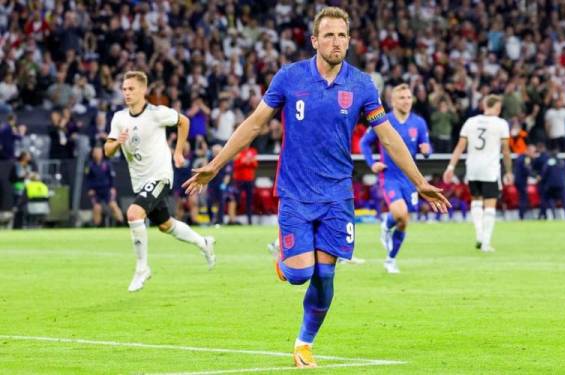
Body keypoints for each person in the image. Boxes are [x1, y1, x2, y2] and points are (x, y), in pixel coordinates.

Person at [183, 7, 449, 368]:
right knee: (300, 274)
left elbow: (387, 137)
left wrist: (420, 182)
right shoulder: (290, 78)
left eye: (342, 35)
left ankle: (303, 344)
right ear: (314, 41)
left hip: (338, 196)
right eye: (329, 35)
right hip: (295, 193)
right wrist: (215, 165)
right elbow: (254, 124)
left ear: (349, 40)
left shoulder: (361, 85)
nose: (336, 41)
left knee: (325, 275)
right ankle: (284, 261)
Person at [104, 71, 216, 293]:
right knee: (165, 225)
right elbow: (107, 150)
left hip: (160, 175)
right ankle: (204, 243)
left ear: (143, 90)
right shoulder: (119, 118)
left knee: (134, 214)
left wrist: (178, 151)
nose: (126, 93)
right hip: (140, 180)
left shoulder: (156, 114)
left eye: (131, 89)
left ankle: (142, 268)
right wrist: (118, 143)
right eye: (124, 89)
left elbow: (184, 121)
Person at [359, 84, 431, 274]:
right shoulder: (383, 121)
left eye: (409, 97)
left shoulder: (419, 123)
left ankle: (390, 257)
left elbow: (426, 145)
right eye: (402, 98)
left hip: (410, 179)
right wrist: (372, 163)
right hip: (390, 175)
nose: (406, 101)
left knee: (403, 221)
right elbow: (364, 143)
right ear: (392, 101)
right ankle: (388, 232)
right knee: (401, 212)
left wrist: (426, 151)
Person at [443, 95, 513, 252]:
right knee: (490, 204)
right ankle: (486, 243)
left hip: (473, 168)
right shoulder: (501, 124)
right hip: (490, 169)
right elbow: (506, 151)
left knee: (476, 201)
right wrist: (508, 171)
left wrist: (450, 167)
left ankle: (480, 235)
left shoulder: (471, 122)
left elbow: (460, 147)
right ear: (495, 107)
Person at [85, 145, 124, 226]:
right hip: (95, 191)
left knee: (113, 205)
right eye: (96, 152)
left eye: (99, 152)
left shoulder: (107, 164)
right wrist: (89, 189)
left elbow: (112, 177)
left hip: (107, 189)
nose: (97, 154)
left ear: (102, 153)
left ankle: (121, 223)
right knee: (97, 208)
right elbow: (87, 179)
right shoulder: (89, 165)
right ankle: (97, 226)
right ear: (93, 154)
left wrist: (112, 187)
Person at [514, 144, 537, 219]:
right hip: (521, 181)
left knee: (523, 198)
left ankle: (523, 214)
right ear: (528, 151)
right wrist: (535, 176)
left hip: (518, 180)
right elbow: (527, 170)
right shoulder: (526, 159)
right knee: (523, 198)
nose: (534, 154)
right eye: (533, 152)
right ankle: (522, 216)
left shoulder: (520, 157)